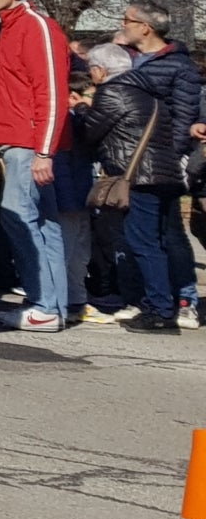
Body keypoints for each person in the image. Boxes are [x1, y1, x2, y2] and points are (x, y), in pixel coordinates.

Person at [0, 0, 73, 332]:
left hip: (30, 142)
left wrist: (45, 150)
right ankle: (54, 304)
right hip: (16, 141)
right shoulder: (2, 32)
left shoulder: (37, 27)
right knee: (42, 223)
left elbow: (53, 92)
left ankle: (44, 304)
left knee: (19, 217)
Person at [83, 43, 188, 333]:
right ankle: (165, 302)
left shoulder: (113, 91)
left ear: (100, 70)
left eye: (91, 69)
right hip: (165, 175)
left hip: (139, 178)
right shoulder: (150, 93)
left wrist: (80, 107)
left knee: (143, 243)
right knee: (159, 242)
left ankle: (159, 310)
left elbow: (90, 131)